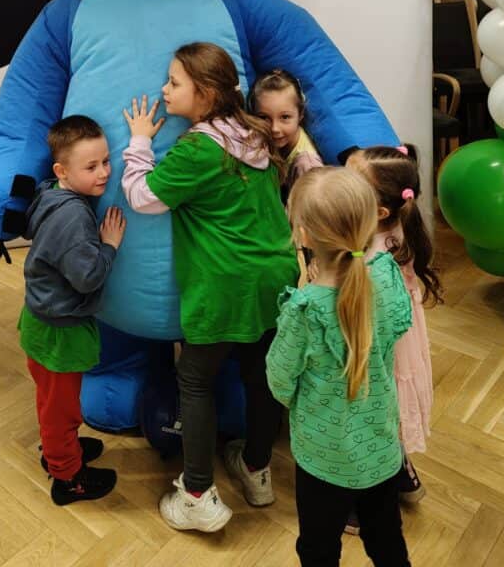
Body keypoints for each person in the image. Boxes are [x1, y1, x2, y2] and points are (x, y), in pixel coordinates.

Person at [121, 42, 300, 532]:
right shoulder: (253, 132)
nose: (164, 89)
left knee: (196, 380)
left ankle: (197, 493)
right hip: (274, 275)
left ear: (204, 92)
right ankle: (257, 470)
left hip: (226, 283)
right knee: (260, 375)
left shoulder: (199, 148)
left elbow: (143, 197)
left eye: (174, 82)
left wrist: (139, 141)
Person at [267, 167, 413, 566]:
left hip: (322, 457)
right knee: (387, 539)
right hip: (382, 446)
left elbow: (279, 382)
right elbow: (399, 325)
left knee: (318, 547)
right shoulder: (386, 274)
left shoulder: (304, 310)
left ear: (303, 235)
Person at [18, 114, 125, 506]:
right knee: (60, 410)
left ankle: (60, 451)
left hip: (40, 320)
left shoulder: (50, 194)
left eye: (106, 161)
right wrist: (109, 246)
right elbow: (87, 277)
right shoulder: (74, 217)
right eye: (91, 167)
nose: (104, 173)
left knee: (52, 401)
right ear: (62, 171)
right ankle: (67, 477)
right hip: (59, 331)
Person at [346, 145, 442, 505]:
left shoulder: (369, 255)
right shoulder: (400, 229)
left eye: (350, 183)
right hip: (400, 340)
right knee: (389, 411)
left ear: (379, 210)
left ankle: (369, 497)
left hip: (380, 345)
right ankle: (403, 472)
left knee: (372, 414)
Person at [249, 69, 323, 201]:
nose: (274, 129)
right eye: (264, 118)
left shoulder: (306, 166)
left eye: (285, 117)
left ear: (300, 114)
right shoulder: (259, 139)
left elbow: (312, 210)